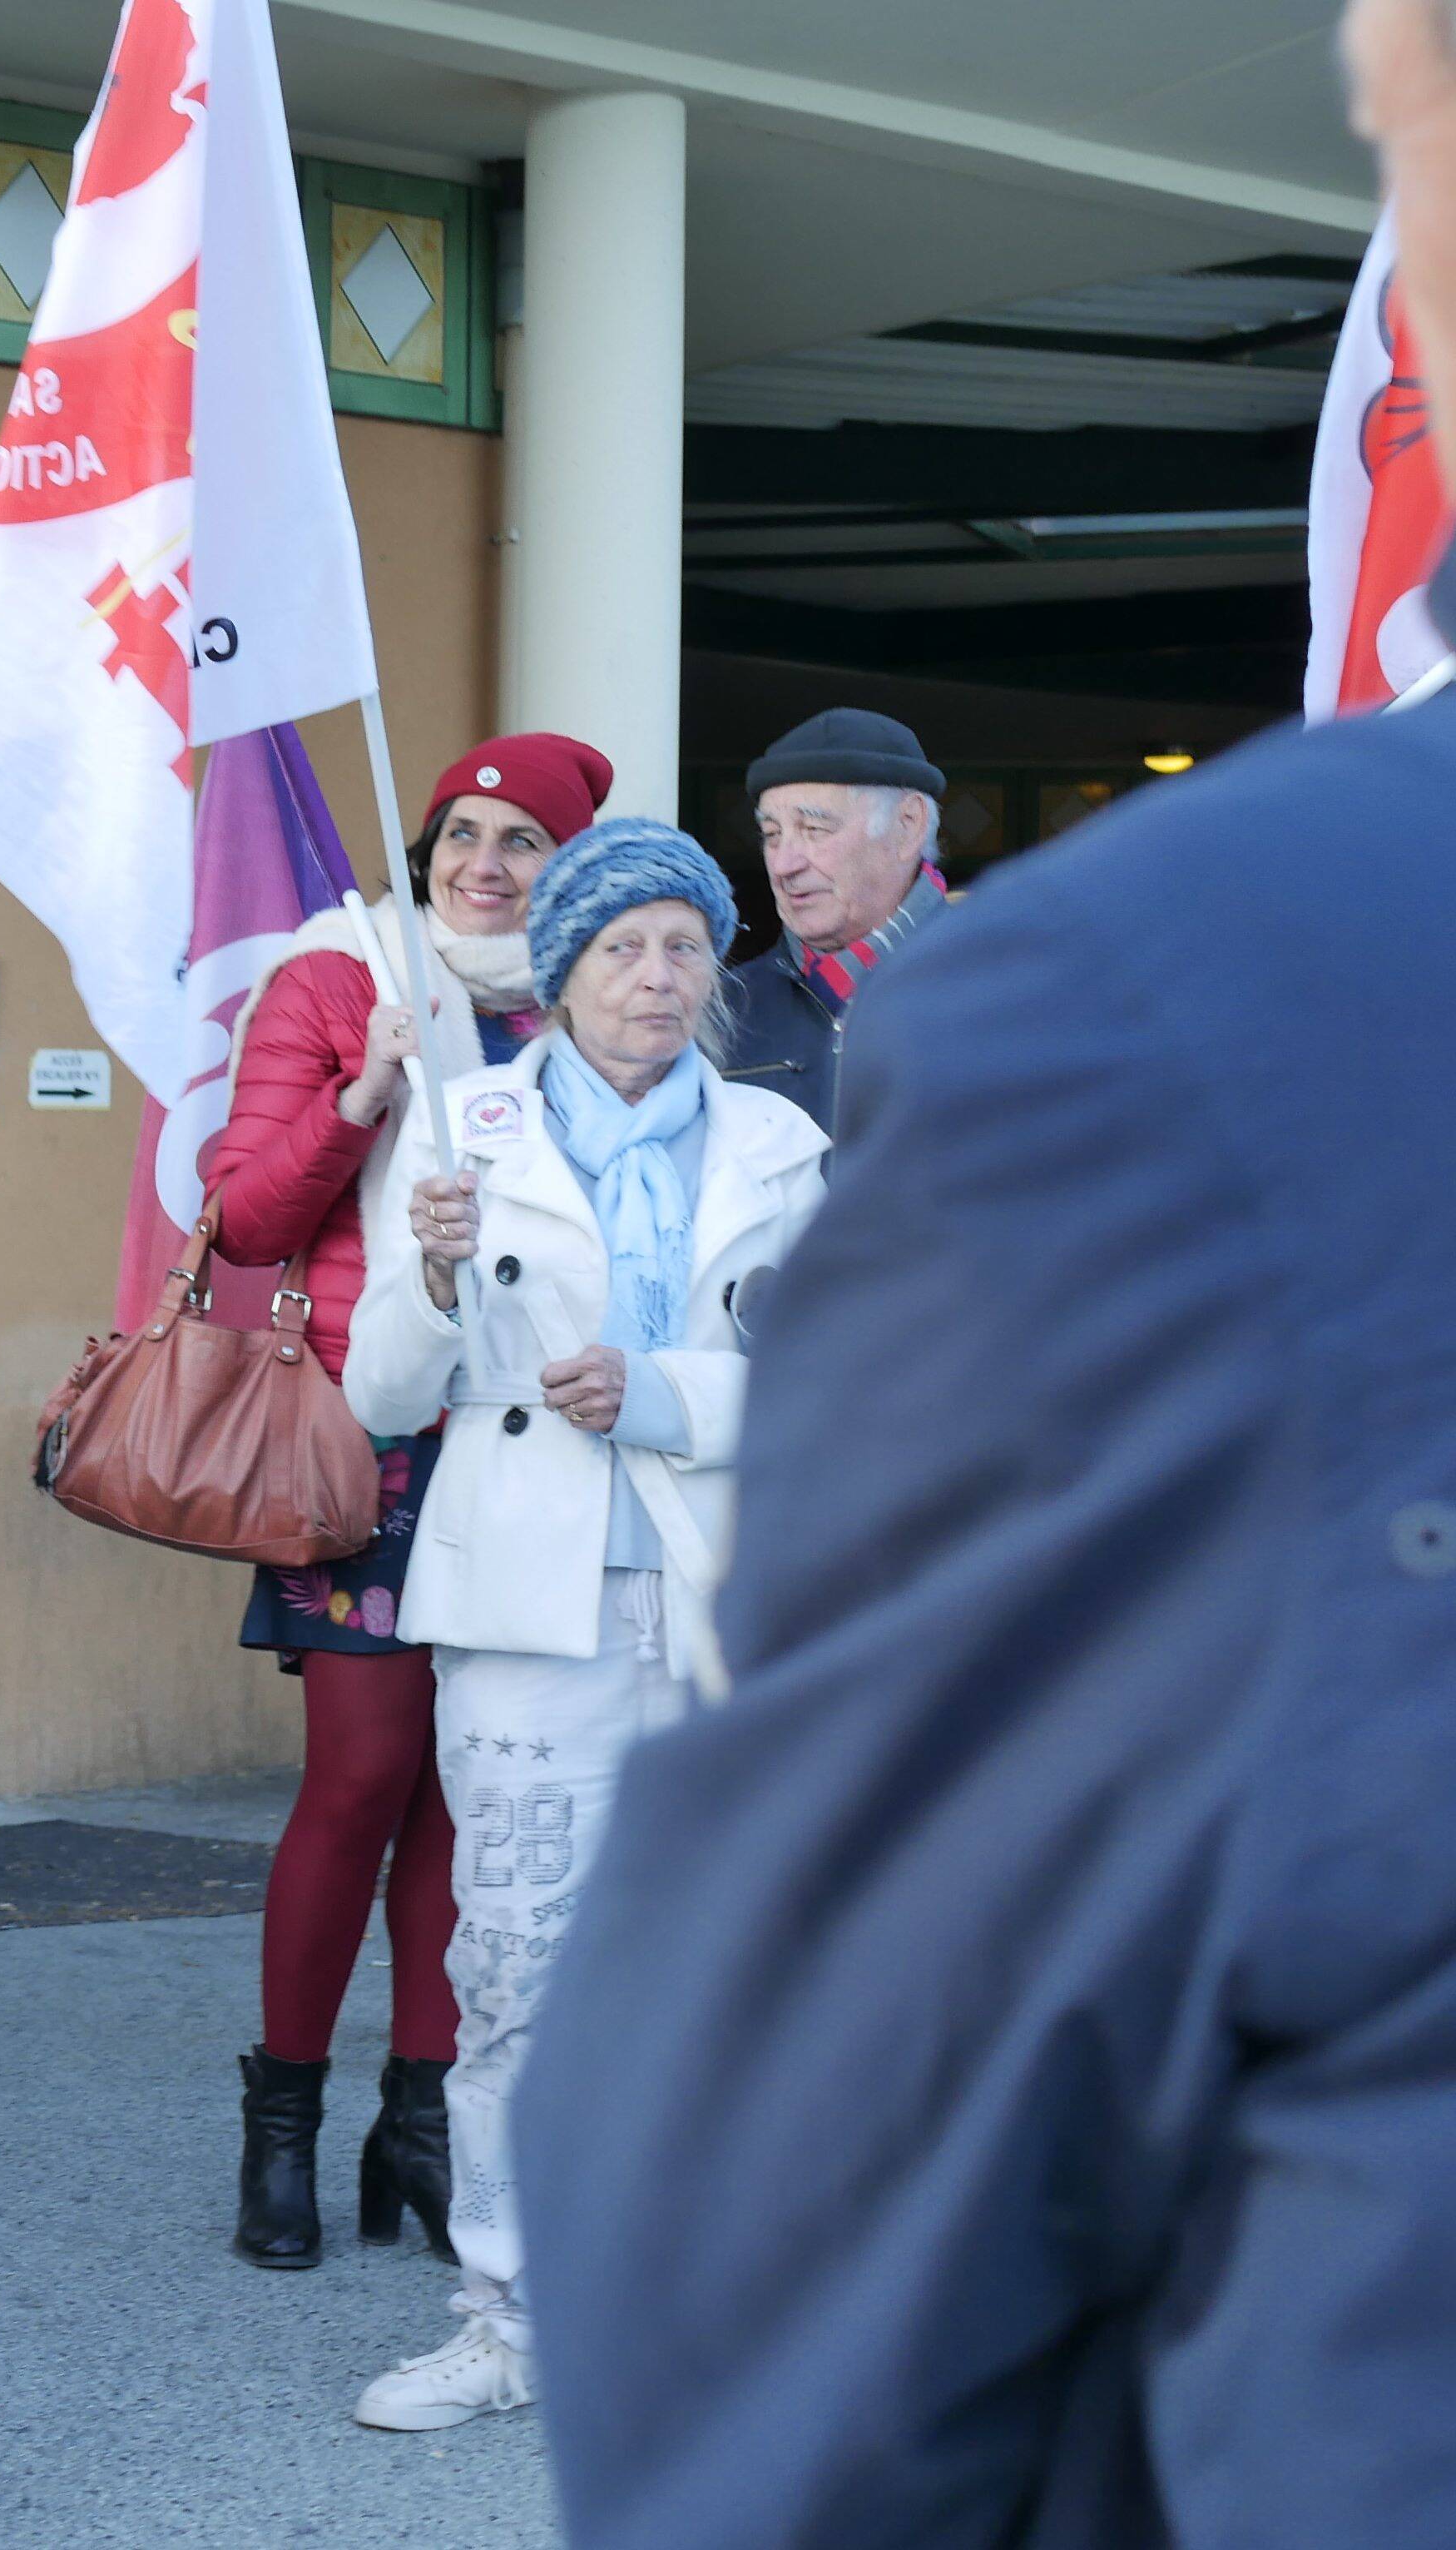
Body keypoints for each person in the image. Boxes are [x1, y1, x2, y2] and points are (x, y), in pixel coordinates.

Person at [508, 8, 1456, 2534]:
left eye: (820, 827)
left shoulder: (1153, 998)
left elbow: (818, 2163)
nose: (776, 869)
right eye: (760, 833)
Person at [336, 820, 826, 2435]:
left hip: (716, 1599)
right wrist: (419, 1266)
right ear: (561, 970)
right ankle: (509, 2312)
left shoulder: (775, 1143)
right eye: (622, 944)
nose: (658, 973)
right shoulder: (462, 1122)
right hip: (525, 1604)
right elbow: (383, 1390)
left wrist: (666, 1388)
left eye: (686, 942)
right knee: (520, 1965)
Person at [199, 730, 607, 2272]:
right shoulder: (338, 973)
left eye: (522, 843)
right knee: (361, 1775)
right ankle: (282, 2118)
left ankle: (419, 2120)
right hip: (370, 1419)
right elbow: (240, 1213)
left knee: (469, 1781)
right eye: (463, 830)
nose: (483, 862)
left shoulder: (587, 999)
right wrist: (363, 1091)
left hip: (529, 1425)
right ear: (423, 836)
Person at [720, 707, 948, 1129]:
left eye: (814, 830)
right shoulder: (724, 1008)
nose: (784, 865)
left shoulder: (1007, 985)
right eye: (772, 836)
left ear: (908, 826)